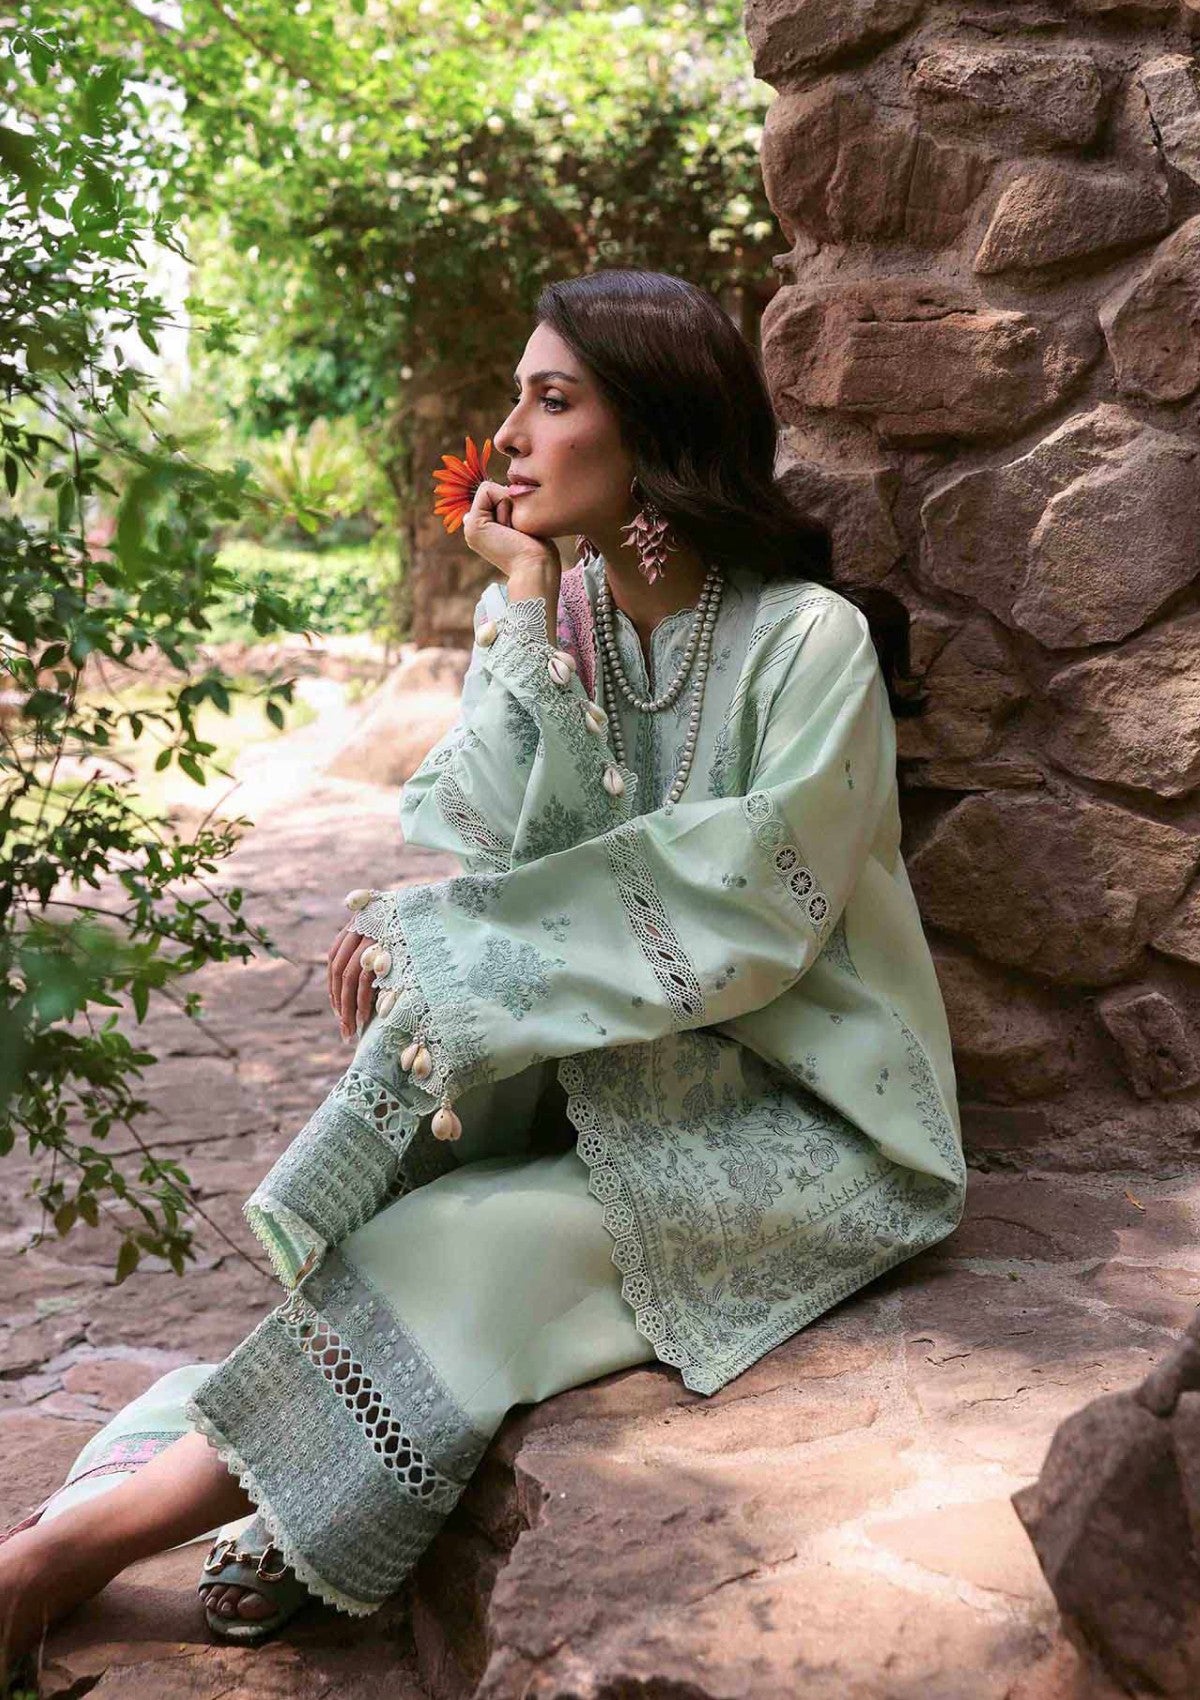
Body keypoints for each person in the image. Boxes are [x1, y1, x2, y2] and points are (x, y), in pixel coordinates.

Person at [0, 268, 965, 1668]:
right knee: (402, 1175)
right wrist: (521, 598)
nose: (508, 435)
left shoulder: (804, 640)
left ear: (655, 430)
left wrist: (449, 940)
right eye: (518, 397)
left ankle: (60, 1556)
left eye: (551, 399)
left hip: (804, 1117)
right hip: (613, 1078)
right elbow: (488, 839)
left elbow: (754, 898)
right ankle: (262, 1498)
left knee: (460, 1244)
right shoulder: (563, 619)